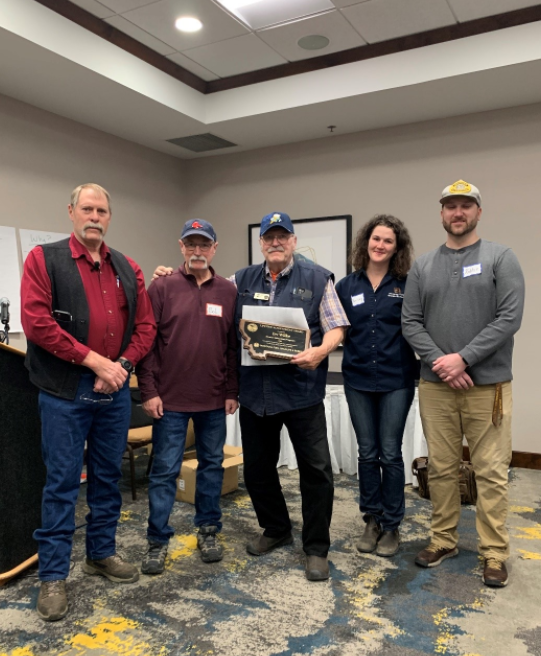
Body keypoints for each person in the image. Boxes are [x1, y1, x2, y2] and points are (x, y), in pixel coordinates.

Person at [21, 183, 156, 621]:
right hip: (64, 392)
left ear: (109, 217)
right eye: (87, 208)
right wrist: (97, 362)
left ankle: (101, 553)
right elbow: (37, 323)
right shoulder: (44, 260)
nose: (94, 216)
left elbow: (146, 328)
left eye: (101, 210)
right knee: (62, 485)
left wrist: (120, 367)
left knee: (106, 480)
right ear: (71, 212)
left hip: (113, 393)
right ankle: (53, 576)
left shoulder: (128, 268)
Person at [402, 180, 525, 587]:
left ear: (478, 212)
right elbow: (411, 322)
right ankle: (443, 539)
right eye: (450, 206)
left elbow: (509, 319)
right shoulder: (423, 265)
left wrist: (464, 358)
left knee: (490, 471)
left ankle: (493, 552)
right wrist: (442, 363)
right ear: (441, 214)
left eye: (465, 206)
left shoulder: (500, 258)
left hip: (487, 386)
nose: (458, 213)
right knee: (441, 468)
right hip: (436, 386)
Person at [235, 212, 349, 581]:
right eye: (270, 237)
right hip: (256, 395)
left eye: (283, 237)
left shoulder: (317, 278)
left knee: (316, 472)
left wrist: (320, 352)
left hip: (300, 393)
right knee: (256, 470)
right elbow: (202, 287)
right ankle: (276, 528)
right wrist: (171, 276)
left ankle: (316, 548)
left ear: (294, 242)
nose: (276, 243)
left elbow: (336, 326)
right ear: (261, 242)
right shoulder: (241, 279)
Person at [136, 219, 238, 574]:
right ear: (181, 247)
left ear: (214, 248)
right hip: (170, 401)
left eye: (204, 245)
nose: (197, 251)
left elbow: (231, 348)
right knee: (164, 471)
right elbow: (146, 344)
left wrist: (231, 390)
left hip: (213, 399)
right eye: (191, 244)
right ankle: (157, 540)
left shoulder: (228, 291)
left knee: (212, 467)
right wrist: (148, 391)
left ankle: (208, 530)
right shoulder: (161, 287)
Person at [335, 215, 417, 558]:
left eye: (388, 241)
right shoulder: (346, 286)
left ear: (396, 248)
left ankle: (393, 524)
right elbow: (334, 327)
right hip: (357, 379)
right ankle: (372, 518)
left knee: (391, 452)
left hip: (396, 379)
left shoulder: (407, 284)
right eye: (376, 239)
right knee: (367, 453)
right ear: (365, 242)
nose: (380, 245)